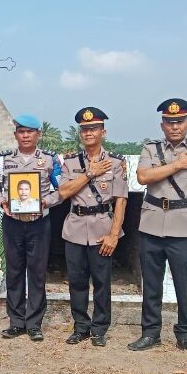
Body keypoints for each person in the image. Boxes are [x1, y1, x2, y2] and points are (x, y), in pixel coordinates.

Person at [127, 98, 187, 355]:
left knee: (185, 285)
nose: (174, 126)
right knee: (151, 283)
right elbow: (143, 177)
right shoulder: (150, 149)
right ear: (162, 125)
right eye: (169, 122)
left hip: (185, 227)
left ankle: (186, 335)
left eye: (179, 122)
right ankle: (150, 333)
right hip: (152, 225)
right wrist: (177, 165)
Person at [58, 107, 127, 347]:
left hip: (102, 228)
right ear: (80, 133)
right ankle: (80, 327)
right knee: (76, 281)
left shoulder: (116, 162)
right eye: (84, 129)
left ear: (103, 132)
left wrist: (114, 235)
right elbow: (64, 192)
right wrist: (89, 173)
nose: (89, 133)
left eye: (93, 128)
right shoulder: (69, 162)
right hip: (75, 227)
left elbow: (120, 200)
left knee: (101, 282)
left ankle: (99, 328)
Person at [0, 114, 62, 341]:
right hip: (12, 222)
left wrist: (45, 202)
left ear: (38, 134)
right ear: (15, 135)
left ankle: (34, 323)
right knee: (14, 273)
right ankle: (16, 321)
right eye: (21, 132)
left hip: (39, 223)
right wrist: (2, 201)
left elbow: (62, 189)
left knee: (37, 273)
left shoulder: (51, 160)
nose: (25, 135)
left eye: (30, 131)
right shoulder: (3, 160)